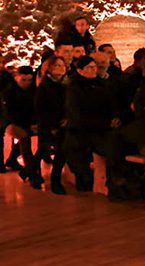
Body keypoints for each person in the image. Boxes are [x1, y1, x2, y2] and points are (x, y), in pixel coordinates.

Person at [64, 56, 119, 192]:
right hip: (83, 130)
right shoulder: (74, 89)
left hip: (103, 126)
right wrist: (104, 123)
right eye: (89, 67)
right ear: (80, 70)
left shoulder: (102, 85)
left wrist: (115, 117)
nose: (94, 70)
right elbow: (77, 115)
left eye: (94, 67)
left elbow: (111, 104)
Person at [1, 66, 40, 185]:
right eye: (24, 80)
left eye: (29, 80)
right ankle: (32, 173)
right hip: (10, 123)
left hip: (29, 122)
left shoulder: (34, 90)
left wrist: (34, 123)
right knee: (24, 139)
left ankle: (22, 166)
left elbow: (37, 109)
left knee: (45, 138)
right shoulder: (8, 92)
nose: (27, 83)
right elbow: (9, 114)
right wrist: (29, 125)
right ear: (16, 78)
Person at [34, 56, 68, 194]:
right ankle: (34, 172)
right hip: (49, 125)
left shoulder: (66, 84)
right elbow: (40, 109)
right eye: (57, 65)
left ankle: (55, 179)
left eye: (62, 65)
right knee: (44, 149)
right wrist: (53, 125)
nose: (60, 68)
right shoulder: (44, 86)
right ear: (49, 68)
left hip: (63, 123)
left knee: (61, 151)